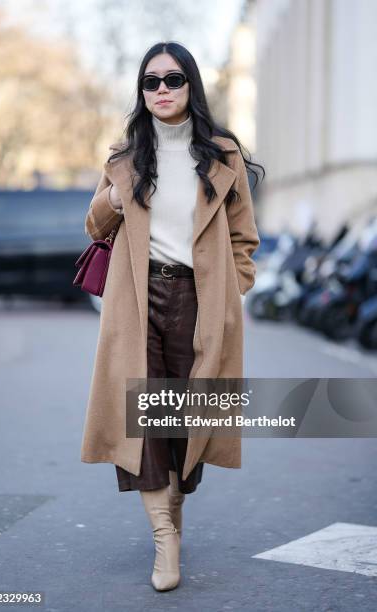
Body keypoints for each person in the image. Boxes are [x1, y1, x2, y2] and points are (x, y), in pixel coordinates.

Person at [81, 41, 263, 592]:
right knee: (144, 425)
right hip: (136, 301)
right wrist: (113, 197)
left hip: (201, 303)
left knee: (188, 423)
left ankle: (175, 506)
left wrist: (236, 292)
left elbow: (243, 240)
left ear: (191, 87)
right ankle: (165, 538)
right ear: (141, 91)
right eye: (151, 81)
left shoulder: (223, 155)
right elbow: (93, 227)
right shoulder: (126, 155)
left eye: (173, 80)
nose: (161, 90)